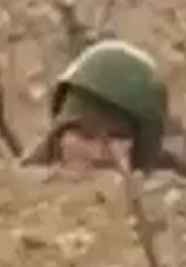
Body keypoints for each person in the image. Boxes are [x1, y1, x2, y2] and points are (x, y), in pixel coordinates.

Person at [22, 39, 167, 173]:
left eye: (114, 137)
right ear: (59, 137)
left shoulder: (166, 187)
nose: (96, 154)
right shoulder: (19, 186)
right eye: (86, 136)